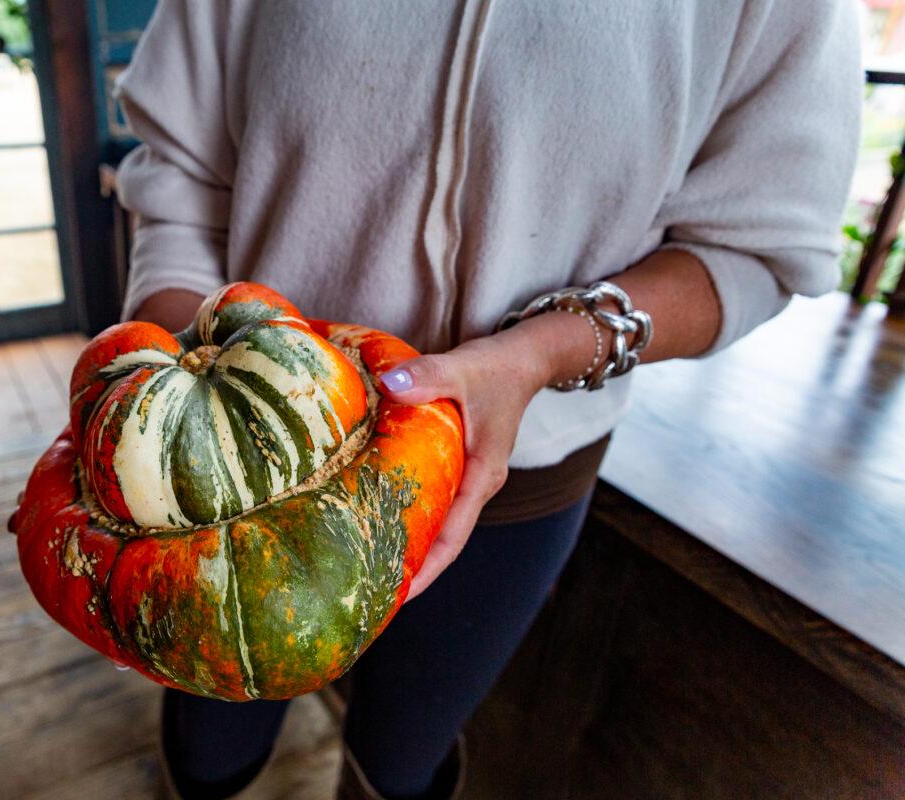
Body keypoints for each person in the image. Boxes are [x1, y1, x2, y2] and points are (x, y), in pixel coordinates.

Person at [112, 2, 861, 798]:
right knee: (212, 733)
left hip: (512, 470)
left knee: (401, 757)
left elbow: (753, 245)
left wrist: (543, 352)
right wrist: (174, 382)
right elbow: (183, 174)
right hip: (227, 463)